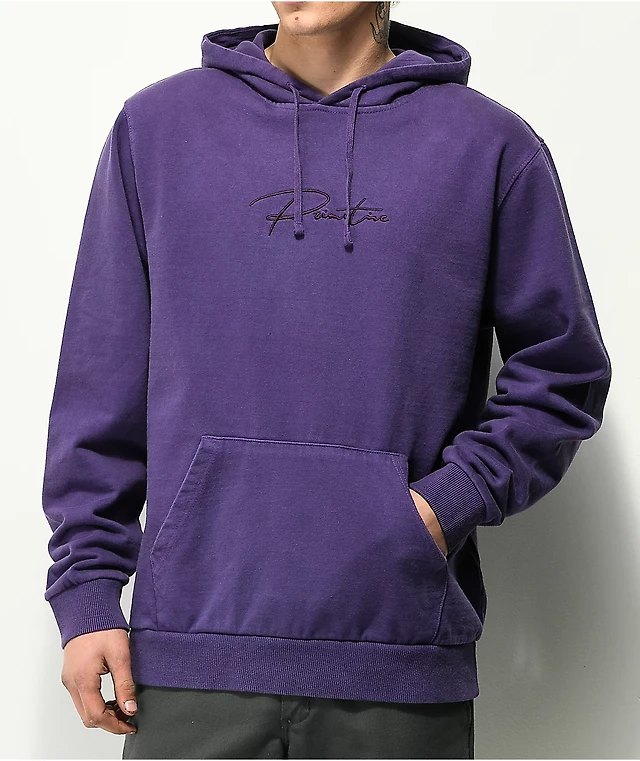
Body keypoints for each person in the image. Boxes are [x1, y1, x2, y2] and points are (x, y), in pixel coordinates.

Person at [41, 2, 612, 758]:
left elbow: (564, 372)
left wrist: (437, 507)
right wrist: (86, 592)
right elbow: (98, 380)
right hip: (190, 650)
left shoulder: (491, 146)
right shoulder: (156, 130)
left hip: (396, 656)